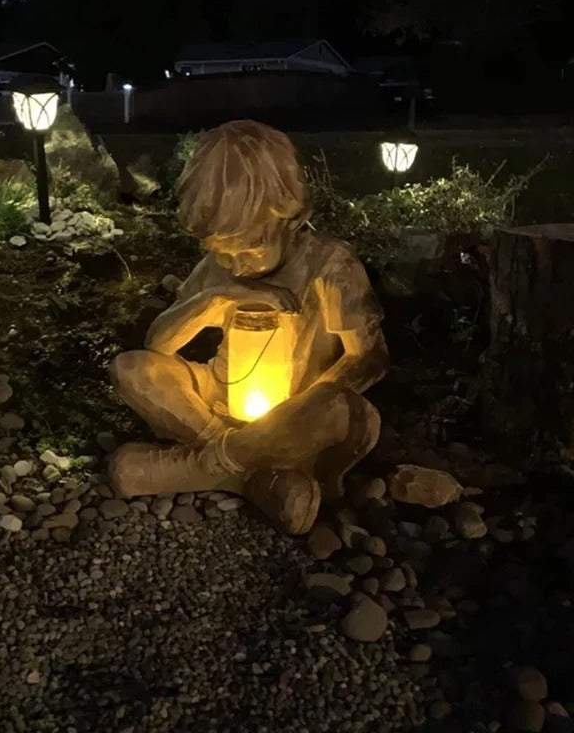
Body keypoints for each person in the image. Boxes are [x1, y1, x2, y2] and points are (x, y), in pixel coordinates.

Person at [108, 120, 388, 535]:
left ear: (286, 217)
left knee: (337, 408)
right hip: (221, 398)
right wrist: (219, 298)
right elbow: (158, 345)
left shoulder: (330, 264)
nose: (236, 264)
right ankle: (252, 475)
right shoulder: (220, 269)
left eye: (248, 250)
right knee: (131, 368)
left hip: (299, 411)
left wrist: (294, 412)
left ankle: (202, 465)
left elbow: (370, 359)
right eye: (223, 252)